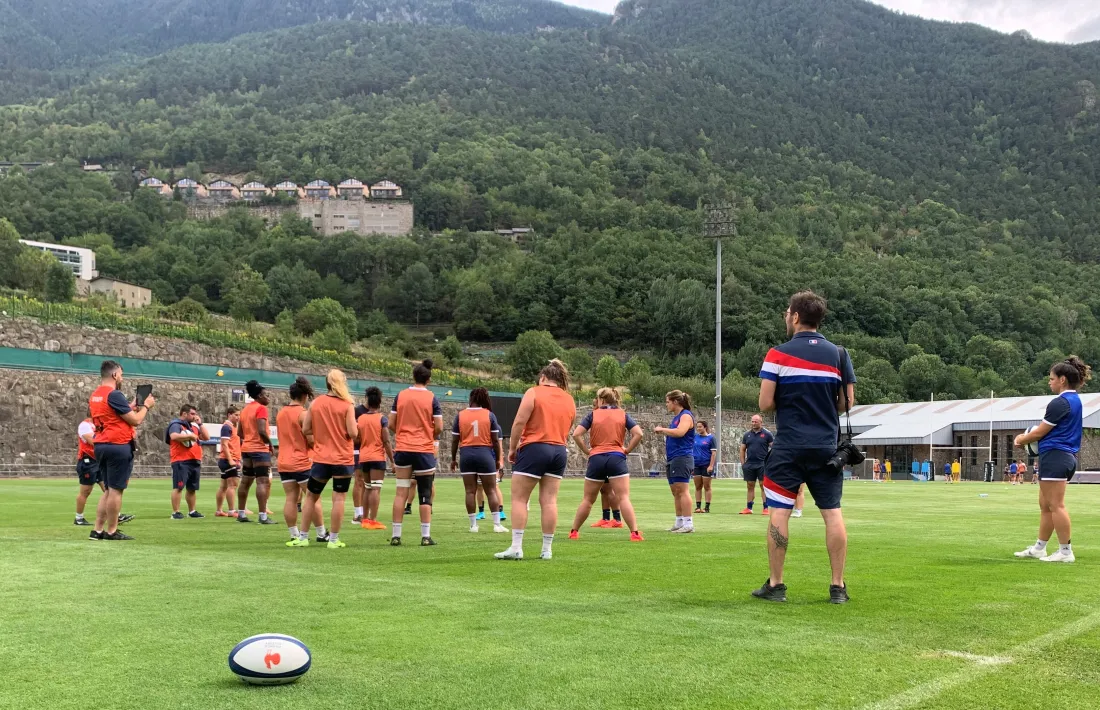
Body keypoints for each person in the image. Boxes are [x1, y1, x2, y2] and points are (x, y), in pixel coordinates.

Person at [751, 290, 856, 604]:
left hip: (788, 447)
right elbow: (846, 403)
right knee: (832, 514)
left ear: (795, 317)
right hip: (826, 447)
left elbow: (765, 403)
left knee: (779, 513)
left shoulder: (777, 354)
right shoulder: (839, 354)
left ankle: (777, 585)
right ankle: (837, 587)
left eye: (787, 312)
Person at [495, 359, 577, 560]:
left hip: (534, 447)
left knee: (520, 498)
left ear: (543, 378)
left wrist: (512, 449)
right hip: (559, 450)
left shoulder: (533, 392)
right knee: (549, 501)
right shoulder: (569, 399)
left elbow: (519, 423)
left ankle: (516, 547)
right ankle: (547, 549)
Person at [1014, 356, 1090, 563]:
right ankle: (1040, 548)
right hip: (1059, 457)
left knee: (1056, 505)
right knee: (1045, 505)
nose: (1050, 382)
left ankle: (1065, 552)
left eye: (1051, 378)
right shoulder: (1074, 400)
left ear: (1062, 379)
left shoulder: (1060, 402)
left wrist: (1021, 439)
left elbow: (1039, 433)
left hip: (1057, 457)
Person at [88, 360, 155, 541]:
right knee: (116, 490)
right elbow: (135, 420)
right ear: (115, 375)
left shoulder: (95, 395)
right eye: (121, 375)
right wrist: (146, 406)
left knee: (108, 490)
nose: (122, 378)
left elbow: (111, 413)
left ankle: (97, 530)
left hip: (101, 444)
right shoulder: (114, 394)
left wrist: (130, 406)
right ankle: (112, 531)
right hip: (117, 444)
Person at [568, 387, 644, 541]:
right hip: (617, 457)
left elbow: (576, 434)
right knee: (623, 497)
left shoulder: (593, 414)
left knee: (588, 499)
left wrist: (587, 451)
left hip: (596, 457)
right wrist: (627, 450)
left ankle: (574, 531)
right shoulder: (623, 414)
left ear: (601, 399)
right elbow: (639, 433)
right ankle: (634, 533)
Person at [296, 370, 357, 549]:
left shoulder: (316, 403)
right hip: (342, 459)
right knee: (339, 499)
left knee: (311, 497)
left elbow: (306, 429)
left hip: (321, 458)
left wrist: (323, 432)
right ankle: (333, 539)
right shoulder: (347, 405)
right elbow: (353, 433)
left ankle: (303, 537)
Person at [390, 360, 444, 546]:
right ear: (428, 379)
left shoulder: (401, 396)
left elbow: (391, 423)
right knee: (425, 493)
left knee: (400, 493)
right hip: (423, 449)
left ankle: (396, 536)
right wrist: (427, 434)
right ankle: (425, 536)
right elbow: (439, 426)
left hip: (403, 448)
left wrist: (404, 433)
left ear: (413, 377)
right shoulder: (432, 398)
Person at [278, 377, 328, 545]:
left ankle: (294, 534)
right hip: (301, 461)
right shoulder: (303, 413)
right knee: (313, 498)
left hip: (284, 461)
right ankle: (321, 532)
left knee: (291, 498)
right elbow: (311, 439)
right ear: (305, 396)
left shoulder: (281, 413)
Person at [451, 387, 508, 534]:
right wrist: (496, 459)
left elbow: (455, 440)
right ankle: (496, 525)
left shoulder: (460, 415)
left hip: (466, 455)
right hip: (485, 454)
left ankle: (473, 526)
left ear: (471, 399)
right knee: (491, 490)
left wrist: (453, 459)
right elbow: (495, 440)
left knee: (470, 491)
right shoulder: (489, 415)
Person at [655, 390, 696, 533]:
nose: (666, 404)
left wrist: (662, 430)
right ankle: (679, 522)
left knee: (683, 490)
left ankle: (688, 523)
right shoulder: (676, 417)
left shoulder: (685, 416)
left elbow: (680, 432)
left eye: (667, 402)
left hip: (682, 457)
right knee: (675, 491)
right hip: (673, 457)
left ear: (675, 402)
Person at [236, 380, 276, 524]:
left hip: (246, 449)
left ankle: (241, 514)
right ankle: (263, 516)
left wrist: (249, 439)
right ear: (259, 395)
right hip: (259, 449)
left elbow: (239, 432)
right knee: (263, 482)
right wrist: (270, 444)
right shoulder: (261, 409)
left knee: (245, 481)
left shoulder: (245, 410)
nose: (268, 398)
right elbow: (261, 430)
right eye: (266, 395)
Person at [357, 386, 393, 531]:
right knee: (376, 489)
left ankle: (365, 519)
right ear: (379, 402)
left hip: (364, 456)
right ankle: (373, 520)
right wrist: (393, 460)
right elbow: (386, 441)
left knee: (367, 488)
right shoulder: (382, 419)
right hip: (377, 456)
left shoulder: (360, 418)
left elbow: (357, 439)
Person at [167, 404, 205, 519]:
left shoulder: (193, 427)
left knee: (192, 488)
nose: (195, 416)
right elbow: (173, 436)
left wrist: (200, 424)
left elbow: (206, 437)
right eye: (192, 414)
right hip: (181, 460)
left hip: (194, 460)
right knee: (178, 487)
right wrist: (189, 437)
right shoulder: (176, 424)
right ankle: (176, 512)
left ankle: (192, 511)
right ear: (184, 414)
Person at [740, 415, 774, 514]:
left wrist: (771, 461)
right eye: (752, 421)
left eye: (756, 422)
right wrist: (743, 463)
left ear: (761, 422)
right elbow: (742, 449)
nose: (753, 423)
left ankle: (765, 508)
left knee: (763, 485)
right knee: (750, 485)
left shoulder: (767, 434)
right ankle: (749, 508)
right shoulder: (747, 435)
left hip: (762, 464)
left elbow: (774, 448)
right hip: (749, 464)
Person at [74, 411, 100, 526]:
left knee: (109, 489)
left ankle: (116, 515)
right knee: (85, 491)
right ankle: (79, 518)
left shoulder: (99, 425)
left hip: (98, 461)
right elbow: (93, 441)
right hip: (88, 461)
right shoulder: (85, 425)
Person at [215, 407, 242, 517]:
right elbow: (224, 444)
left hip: (226, 459)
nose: (238, 417)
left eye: (238, 415)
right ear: (229, 415)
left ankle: (219, 510)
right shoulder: (227, 427)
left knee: (223, 486)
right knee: (233, 485)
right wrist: (231, 460)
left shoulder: (233, 427)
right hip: (228, 460)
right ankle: (231, 511)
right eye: (235, 415)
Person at [693, 420, 717, 514]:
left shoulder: (711, 438)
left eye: (700, 427)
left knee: (707, 486)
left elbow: (713, 453)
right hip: (696, 465)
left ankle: (707, 507)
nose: (698, 428)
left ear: (705, 427)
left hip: (706, 465)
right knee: (698, 486)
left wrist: (711, 465)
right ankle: (698, 507)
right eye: (697, 427)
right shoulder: (695, 437)